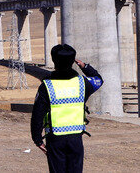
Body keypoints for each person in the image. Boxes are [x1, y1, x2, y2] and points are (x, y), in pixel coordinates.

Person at [30, 44, 103, 173]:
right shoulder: (83, 83)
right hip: (76, 137)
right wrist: (85, 67)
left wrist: (37, 139)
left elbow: (37, 114)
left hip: (55, 138)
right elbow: (98, 80)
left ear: (53, 60)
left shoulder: (46, 86)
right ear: (73, 61)